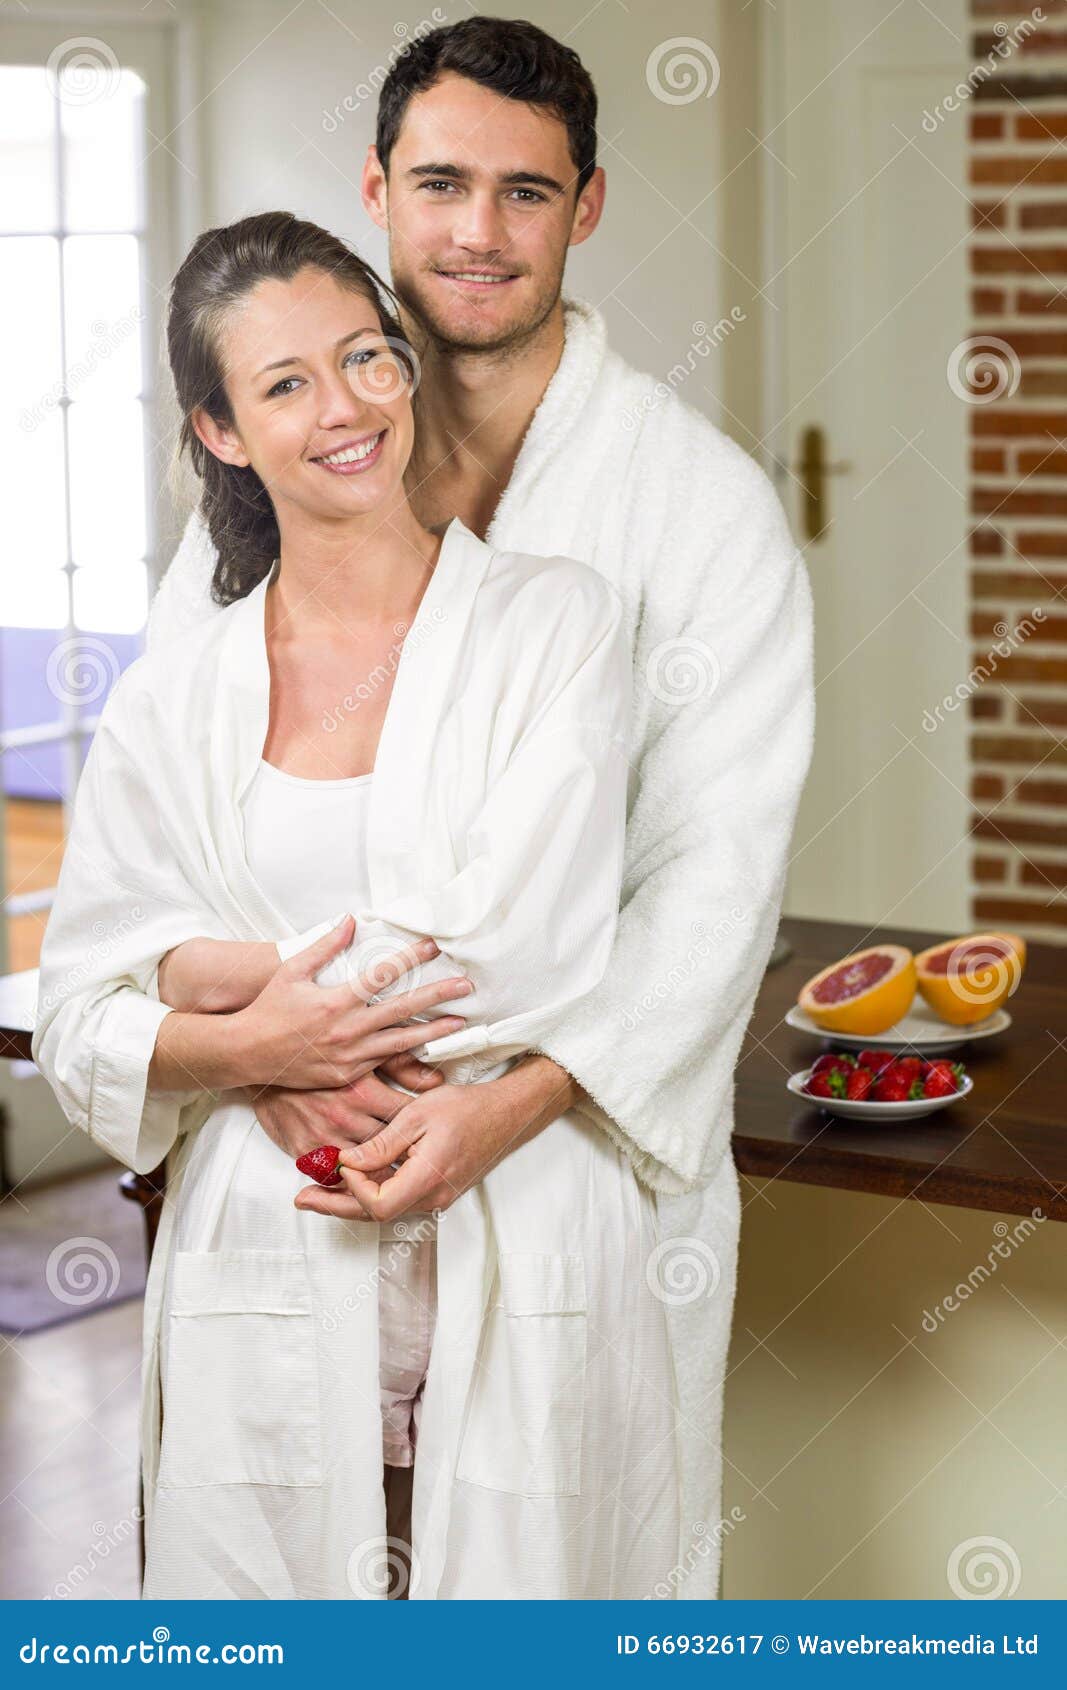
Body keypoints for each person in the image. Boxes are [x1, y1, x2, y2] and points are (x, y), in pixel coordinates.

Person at [131, 18, 816, 1598]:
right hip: (292, 1177)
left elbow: (712, 890)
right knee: (288, 1606)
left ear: (587, 207)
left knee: (541, 1606)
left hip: (551, 1179)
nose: (478, 232)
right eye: (441, 183)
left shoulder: (701, 510)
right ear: (377, 189)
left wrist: (501, 1111)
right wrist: (268, 1054)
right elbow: (167, 815)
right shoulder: (284, 473)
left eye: (527, 191)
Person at [34, 208, 680, 1599]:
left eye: (365, 357)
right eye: (285, 384)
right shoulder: (173, 699)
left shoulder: (556, 625)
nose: (346, 409)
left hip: (521, 1229)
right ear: (220, 431)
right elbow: (79, 1009)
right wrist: (250, 1049)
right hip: (272, 1252)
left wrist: (215, 989)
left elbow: (519, 949)